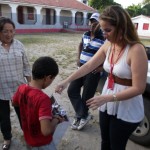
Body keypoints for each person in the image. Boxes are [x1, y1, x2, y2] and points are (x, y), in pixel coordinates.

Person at [55, 5, 148, 150]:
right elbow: (87, 66)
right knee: (105, 143)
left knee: (116, 146)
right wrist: (66, 81)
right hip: (107, 101)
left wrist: (107, 98)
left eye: (108, 30)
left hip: (126, 106)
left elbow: (139, 88)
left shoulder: (136, 50)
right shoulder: (108, 44)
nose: (104, 34)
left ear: (122, 28)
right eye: (103, 30)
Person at [12, 56, 65, 150]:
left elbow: (14, 103)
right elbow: (46, 131)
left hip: (28, 138)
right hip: (42, 143)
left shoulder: (21, 88)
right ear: (48, 78)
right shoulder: (43, 99)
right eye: (52, 80)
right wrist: (56, 119)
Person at [67, 12, 105, 130]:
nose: (93, 25)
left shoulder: (104, 38)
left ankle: (81, 116)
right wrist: (78, 57)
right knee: (72, 90)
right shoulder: (85, 34)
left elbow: (108, 56)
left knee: (86, 96)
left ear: (100, 24)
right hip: (81, 69)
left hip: (93, 72)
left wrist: (100, 68)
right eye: (92, 22)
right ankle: (83, 114)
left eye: (96, 23)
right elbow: (80, 45)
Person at [0, 17, 31, 150]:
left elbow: (27, 66)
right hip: (1, 89)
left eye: (11, 31)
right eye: (5, 31)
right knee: (3, 117)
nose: (9, 34)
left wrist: (31, 85)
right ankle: (7, 138)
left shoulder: (19, 45)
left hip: (20, 88)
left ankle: (28, 137)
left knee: (23, 115)